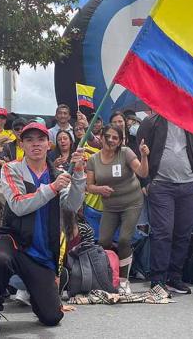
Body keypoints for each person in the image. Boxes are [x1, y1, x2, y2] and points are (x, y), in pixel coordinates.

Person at [0, 122, 86, 335]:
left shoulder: (58, 173)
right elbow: (18, 205)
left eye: (40, 139)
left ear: (49, 144)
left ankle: (38, 295)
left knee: (52, 317)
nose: (35, 144)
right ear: (22, 145)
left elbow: (72, 205)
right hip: (14, 240)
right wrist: (52, 188)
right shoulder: (11, 168)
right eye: (29, 140)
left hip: (41, 251)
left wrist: (80, 175)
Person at [137, 114, 193, 294]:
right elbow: (140, 152)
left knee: (183, 234)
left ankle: (175, 277)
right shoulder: (150, 122)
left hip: (189, 186)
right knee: (163, 232)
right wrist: (145, 182)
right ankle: (157, 279)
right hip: (161, 186)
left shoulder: (190, 121)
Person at [86, 124, 149, 293]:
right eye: (109, 136)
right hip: (110, 205)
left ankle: (123, 280)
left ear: (121, 140)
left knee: (123, 240)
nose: (112, 140)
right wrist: (99, 189)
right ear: (101, 137)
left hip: (132, 202)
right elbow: (89, 186)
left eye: (116, 137)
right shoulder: (93, 160)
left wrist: (144, 156)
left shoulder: (126, 152)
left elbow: (143, 173)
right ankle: (107, 277)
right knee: (103, 241)